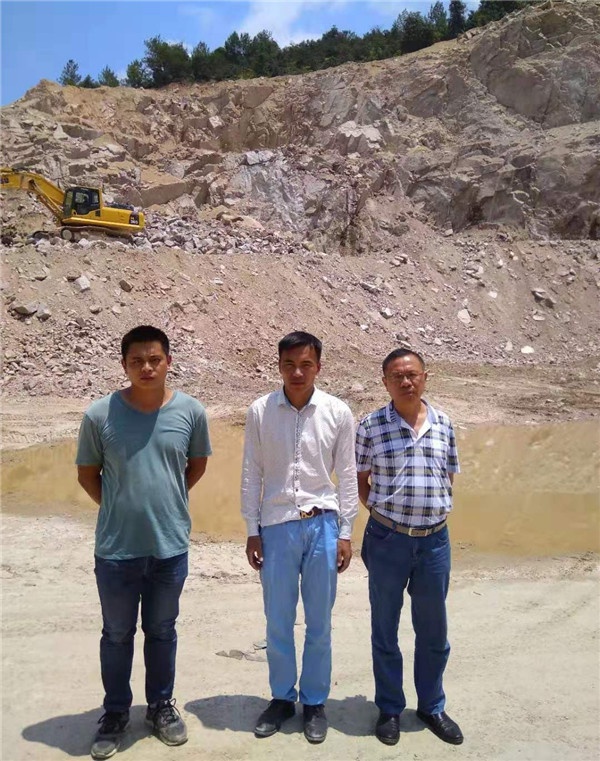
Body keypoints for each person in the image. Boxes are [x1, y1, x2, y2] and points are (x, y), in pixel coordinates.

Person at [76, 325, 211, 760]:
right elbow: (87, 475)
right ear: (124, 365)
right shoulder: (99, 415)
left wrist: (167, 502)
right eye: (137, 361)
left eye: (155, 359)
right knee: (116, 634)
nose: (147, 368)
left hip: (170, 547)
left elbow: (196, 466)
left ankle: (160, 707)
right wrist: (120, 505)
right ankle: (116, 712)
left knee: (162, 630)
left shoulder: (191, 411)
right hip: (116, 550)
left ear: (168, 361)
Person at [241, 331, 358, 744]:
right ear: (279, 366)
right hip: (276, 526)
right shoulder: (260, 411)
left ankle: (314, 702)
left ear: (318, 367)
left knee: (319, 621)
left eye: (306, 364)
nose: (297, 372)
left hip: (323, 525)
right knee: (277, 619)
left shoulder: (338, 412)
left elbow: (347, 475)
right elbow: (252, 472)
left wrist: (346, 532)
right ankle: (280, 698)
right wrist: (252, 530)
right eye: (289, 364)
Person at [356, 348, 463, 747]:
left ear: (425, 377)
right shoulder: (370, 426)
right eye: (397, 376)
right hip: (387, 540)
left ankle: (432, 706)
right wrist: (387, 517)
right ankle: (389, 708)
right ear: (385, 381)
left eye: (412, 374)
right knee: (385, 628)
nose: (406, 381)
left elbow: (448, 477)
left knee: (434, 630)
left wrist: (427, 512)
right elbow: (361, 481)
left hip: (434, 542)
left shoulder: (444, 423)